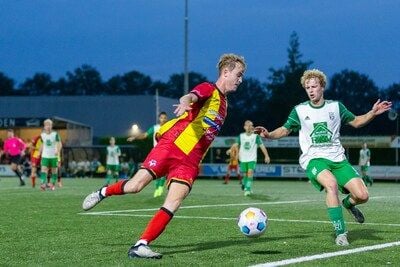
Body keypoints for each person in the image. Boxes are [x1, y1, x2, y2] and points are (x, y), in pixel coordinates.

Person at [82, 53, 246, 259]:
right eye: (238, 75)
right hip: (172, 146)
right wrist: (186, 102)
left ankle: (141, 245)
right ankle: (104, 192)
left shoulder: (224, 105)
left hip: (190, 161)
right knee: (135, 186)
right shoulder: (209, 89)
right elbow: (191, 96)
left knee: (174, 201)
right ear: (225, 72)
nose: (240, 80)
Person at [254, 69, 392, 246]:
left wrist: (372, 112)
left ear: (322, 87)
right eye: (307, 87)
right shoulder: (300, 110)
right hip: (314, 158)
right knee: (331, 184)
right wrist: (269, 135)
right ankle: (341, 233)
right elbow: (285, 129)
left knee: (363, 195)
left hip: (338, 158)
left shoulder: (335, 107)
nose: (311, 90)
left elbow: (357, 121)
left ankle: (348, 204)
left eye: (314, 86)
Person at [127, 111, 169, 197]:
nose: (163, 119)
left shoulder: (170, 127)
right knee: (155, 171)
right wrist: (135, 137)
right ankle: (157, 188)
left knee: (164, 170)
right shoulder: (155, 128)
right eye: (161, 117)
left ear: (167, 119)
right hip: (156, 152)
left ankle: (160, 187)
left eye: (165, 118)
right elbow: (145, 135)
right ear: (159, 118)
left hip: (167, 151)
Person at [235, 120, 270, 196]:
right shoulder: (241, 136)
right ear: (244, 127)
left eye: (251, 125)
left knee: (250, 173)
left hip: (252, 158)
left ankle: (247, 189)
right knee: (245, 174)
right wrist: (237, 154)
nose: (250, 127)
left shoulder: (255, 136)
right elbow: (237, 145)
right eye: (248, 125)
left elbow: (262, 146)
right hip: (243, 158)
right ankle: (244, 184)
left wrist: (266, 155)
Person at [38, 119, 62, 191]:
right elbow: (42, 143)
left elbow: (59, 144)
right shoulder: (42, 135)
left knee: (54, 171)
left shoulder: (55, 134)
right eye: (46, 125)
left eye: (49, 125)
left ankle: (53, 184)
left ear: (51, 126)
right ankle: (42, 184)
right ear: (44, 126)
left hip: (53, 156)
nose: (48, 126)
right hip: (45, 155)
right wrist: (39, 151)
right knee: (43, 170)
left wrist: (57, 150)